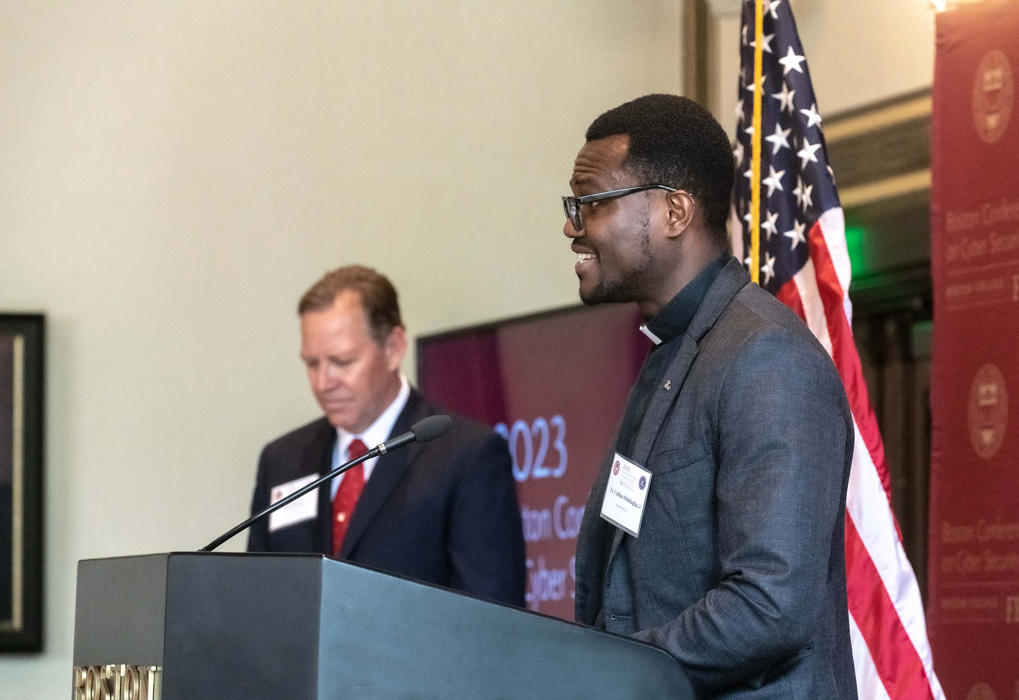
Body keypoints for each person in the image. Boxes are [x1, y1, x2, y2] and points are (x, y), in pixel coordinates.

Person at [567, 94, 858, 698]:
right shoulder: (674, 350)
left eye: (589, 204)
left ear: (674, 211)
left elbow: (769, 603)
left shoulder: (767, 358)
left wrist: (609, 669)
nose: (572, 227)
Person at [247, 265, 526, 607]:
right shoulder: (282, 461)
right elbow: (256, 602)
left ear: (394, 348)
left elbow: (492, 616)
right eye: (312, 363)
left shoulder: (467, 456)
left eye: (343, 361)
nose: (324, 382)